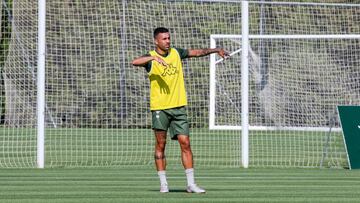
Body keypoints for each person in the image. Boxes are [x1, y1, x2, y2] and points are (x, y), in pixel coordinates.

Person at [132, 27, 229, 193]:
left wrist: (216, 50)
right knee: (161, 145)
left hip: (178, 107)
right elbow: (134, 62)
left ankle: (191, 184)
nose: (168, 41)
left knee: (186, 143)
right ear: (156, 41)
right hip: (160, 109)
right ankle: (164, 184)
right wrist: (154, 59)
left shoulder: (176, 53)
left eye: (169, 38)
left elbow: (197, 52)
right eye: (164, 39)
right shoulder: (149, 57)